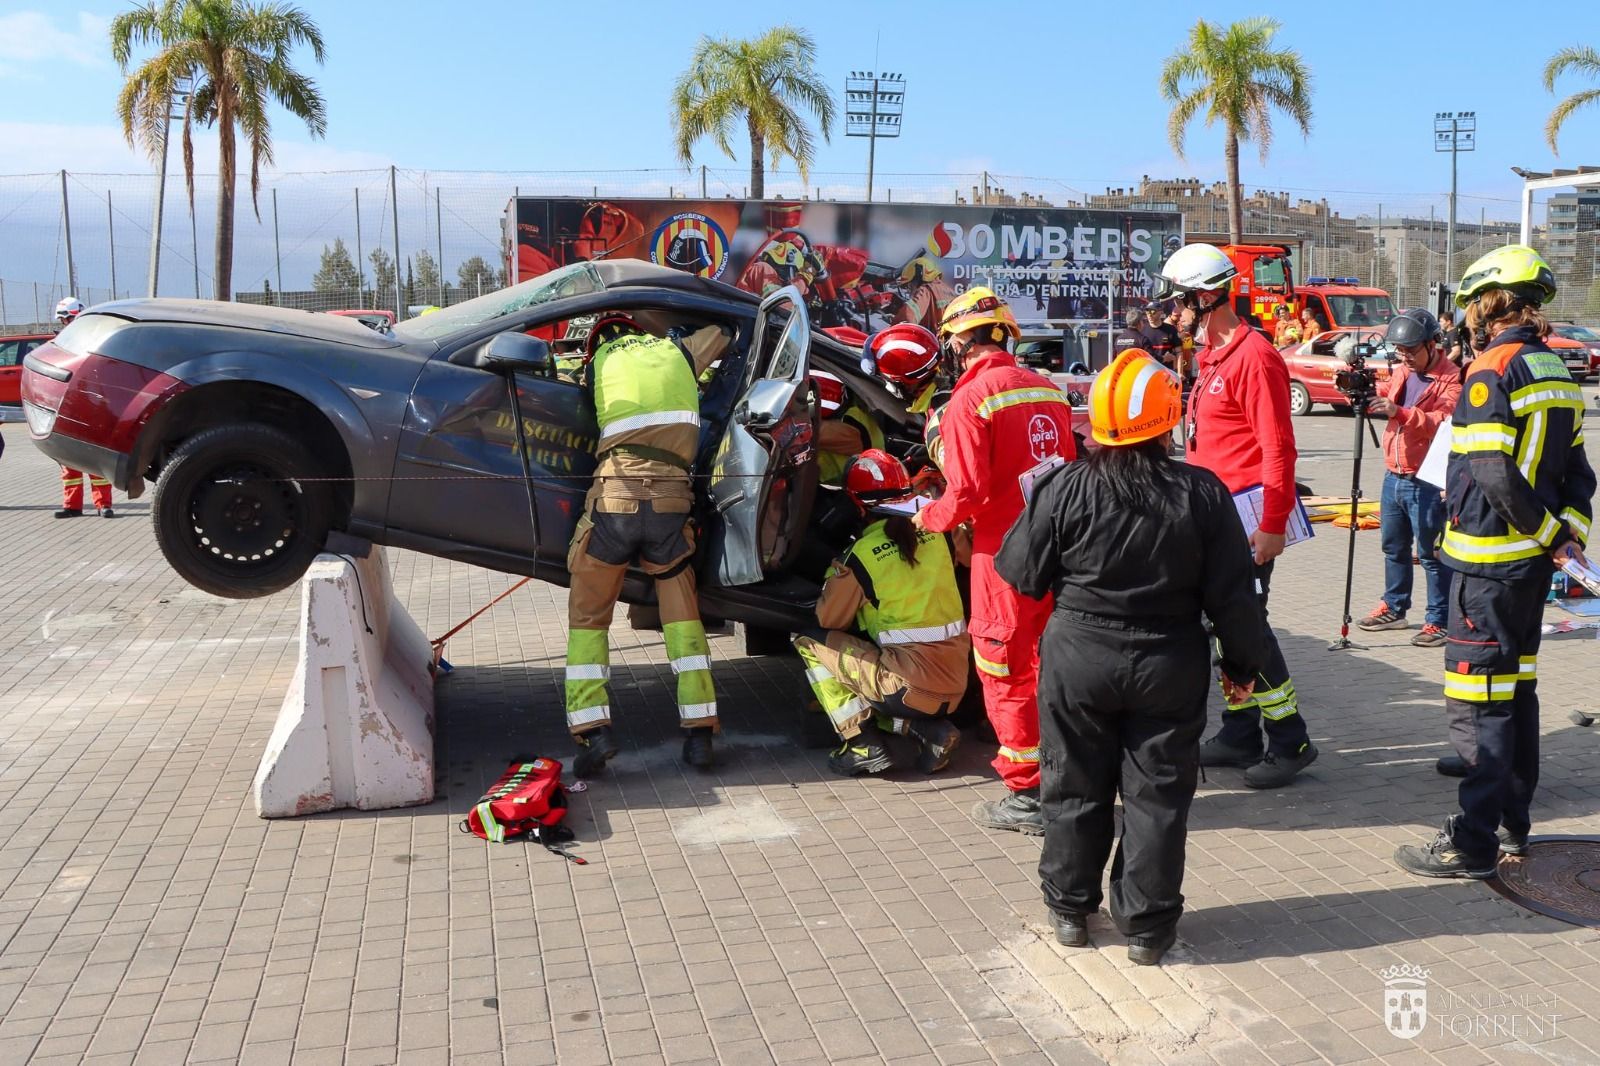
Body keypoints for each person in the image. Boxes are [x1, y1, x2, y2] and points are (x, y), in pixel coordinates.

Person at [997, 348, 1265, 966]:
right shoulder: (1201, 492)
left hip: (1078, 660)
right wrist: (1242, 668)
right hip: (1169, 661)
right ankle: (1146, 930)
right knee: (1158, 797)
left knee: (1071, 785)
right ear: (1168, 423)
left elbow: (1021, 574)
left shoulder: (1062, 485)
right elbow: (1234, 597)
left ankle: (1070, 911)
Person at [1395, 246, 1595, 879]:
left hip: (1487, 568)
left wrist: (1540, 534)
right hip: (1530, 573)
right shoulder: (1555, 370)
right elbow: (1579, 475)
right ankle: (1514, 824)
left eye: (1471, 306)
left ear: (1488, 302)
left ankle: (1472, 841)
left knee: (1480, 699)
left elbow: (1490, 470)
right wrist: (1567, 538)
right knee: (1518, 693)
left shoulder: (1491, 370)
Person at [912, 286, 1076, 833]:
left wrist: (926, 518)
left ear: (960, 342)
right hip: (1061, 553)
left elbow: (968, 493)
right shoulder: (1050, 393)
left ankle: (1026, 794)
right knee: (1055, 666)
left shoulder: (969, 401)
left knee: (1003, 667)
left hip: (1002, 558)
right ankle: (1067, 772)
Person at [1157, 244, 1318, 788]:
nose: (1170, 313)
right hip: (1216, 517)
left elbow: (1279, 449)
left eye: (1177, 302)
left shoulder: (1254, 357)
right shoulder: (1209, 355)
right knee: (1224, 630)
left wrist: (1272, 525)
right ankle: (1240, 730)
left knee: (1247, 630)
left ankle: (1290, 737)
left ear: (1206, 297)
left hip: (1249, 519)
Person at [563, 313, 732, 777]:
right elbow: (724, 331)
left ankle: (593, 731)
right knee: (682, 617)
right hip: (671, 508)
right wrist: (680, 332)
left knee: (589, 619)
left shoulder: (596, 365)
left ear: (597, 342)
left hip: (614, 503)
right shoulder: (677, 351)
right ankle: (700, 734)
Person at [795, 449, 969, 778]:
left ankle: (862, 744)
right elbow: (970, 556)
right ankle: (931, 732)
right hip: (958, 682)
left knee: (810, 641)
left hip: (906, 688)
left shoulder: (861, 555)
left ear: (857, 506)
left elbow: (828, 621)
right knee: (888, 670)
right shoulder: (941, 531)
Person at [1357, 309, 1462, 646]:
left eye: (1411, 350)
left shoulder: (1453, 377)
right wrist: (1360, 390)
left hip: (1427, 481)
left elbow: (1443, 419)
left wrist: (1398, 412)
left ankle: (1439, 620)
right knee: (1393, 548)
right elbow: (1386, 390)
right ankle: (1395, 607)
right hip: (1394, 474)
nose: (1405, 357)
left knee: (1431, 554)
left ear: (1433, 344)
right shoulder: (1403, 370)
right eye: (1400, 350)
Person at [50, 298, 113, 519]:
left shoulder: (95, 340)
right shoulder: (63, 342)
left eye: (66, 318)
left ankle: (103, 504)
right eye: (63, 319)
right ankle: (72, 506)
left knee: (93, 460)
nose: (65, 323)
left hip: (91, 406)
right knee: (68, 461)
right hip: (68, 406)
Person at [894, 256, 955, 335]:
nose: (909, 291)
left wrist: (894, 327)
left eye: (909, 286)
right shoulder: (949, 290)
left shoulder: (925, 291)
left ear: (918, 278)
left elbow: (908, 316)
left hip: (935, 343)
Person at [1136, 304, 1181, 369]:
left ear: (1160, 312)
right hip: (1148, 371)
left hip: (1167, 372)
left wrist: (1179, 372)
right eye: (1147, 312)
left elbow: (1179, 352)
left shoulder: (1170, 329)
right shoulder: (1142, 329)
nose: (1149, 315)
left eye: (1152, 312)